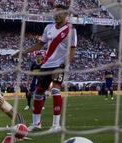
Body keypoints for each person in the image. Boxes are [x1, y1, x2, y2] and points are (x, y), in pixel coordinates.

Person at [12, 0, 76, 132]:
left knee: (55, 90)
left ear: (65, 15)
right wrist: (23, 52)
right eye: (54, 13)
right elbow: (39, 45)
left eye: (58, 13)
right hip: (46, 65)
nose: (55, 15)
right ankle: (36, 124)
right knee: (38, 92)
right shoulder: (48, 28)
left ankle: (56, 125)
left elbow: (72, 52)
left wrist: (62, 67)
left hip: (59, 65)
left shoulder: (71, 30)